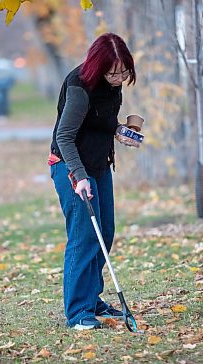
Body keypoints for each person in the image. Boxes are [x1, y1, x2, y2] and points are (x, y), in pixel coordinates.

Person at [49, 33, 140, 330]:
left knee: (106, 232)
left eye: (124, 71)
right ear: (99, 66)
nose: (120, 77)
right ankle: (77, 313)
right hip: (71, 166)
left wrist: (119, 131)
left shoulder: (112, 87)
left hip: (99, 166)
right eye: (114, 72)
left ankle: (92, 299)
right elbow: (64, 136)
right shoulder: (79, 87)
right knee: (85, 235)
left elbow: (99, 120)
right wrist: (79, 177)